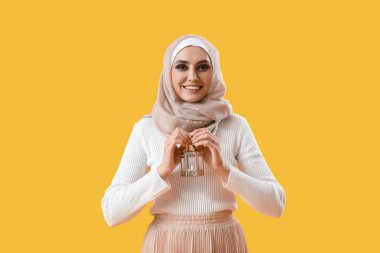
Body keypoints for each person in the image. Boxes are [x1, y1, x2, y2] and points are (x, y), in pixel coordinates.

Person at [101, 34, 286, 252]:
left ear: (214, 72)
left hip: (223, 242)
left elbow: (275, 205)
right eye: (181, 66)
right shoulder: (146, 129)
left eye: (202, 67)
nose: (192, 77)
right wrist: (162, 171)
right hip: (166, 244)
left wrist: (223, 169)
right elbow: (112, 212)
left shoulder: (235, 125)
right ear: (168, 73)